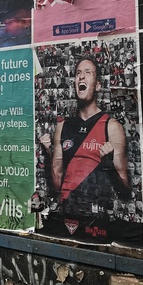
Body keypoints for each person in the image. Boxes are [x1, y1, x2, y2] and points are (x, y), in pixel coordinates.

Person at [40, 57, 130, 211]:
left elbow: (125, 193)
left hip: (97, 218)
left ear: (97, 85)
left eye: (88, 73)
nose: (81, 76)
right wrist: (47, 154)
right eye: (78, 73)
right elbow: (55, 187)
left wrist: (108, 164)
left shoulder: (112, 127)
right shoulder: (63, 127)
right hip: (67, 213)